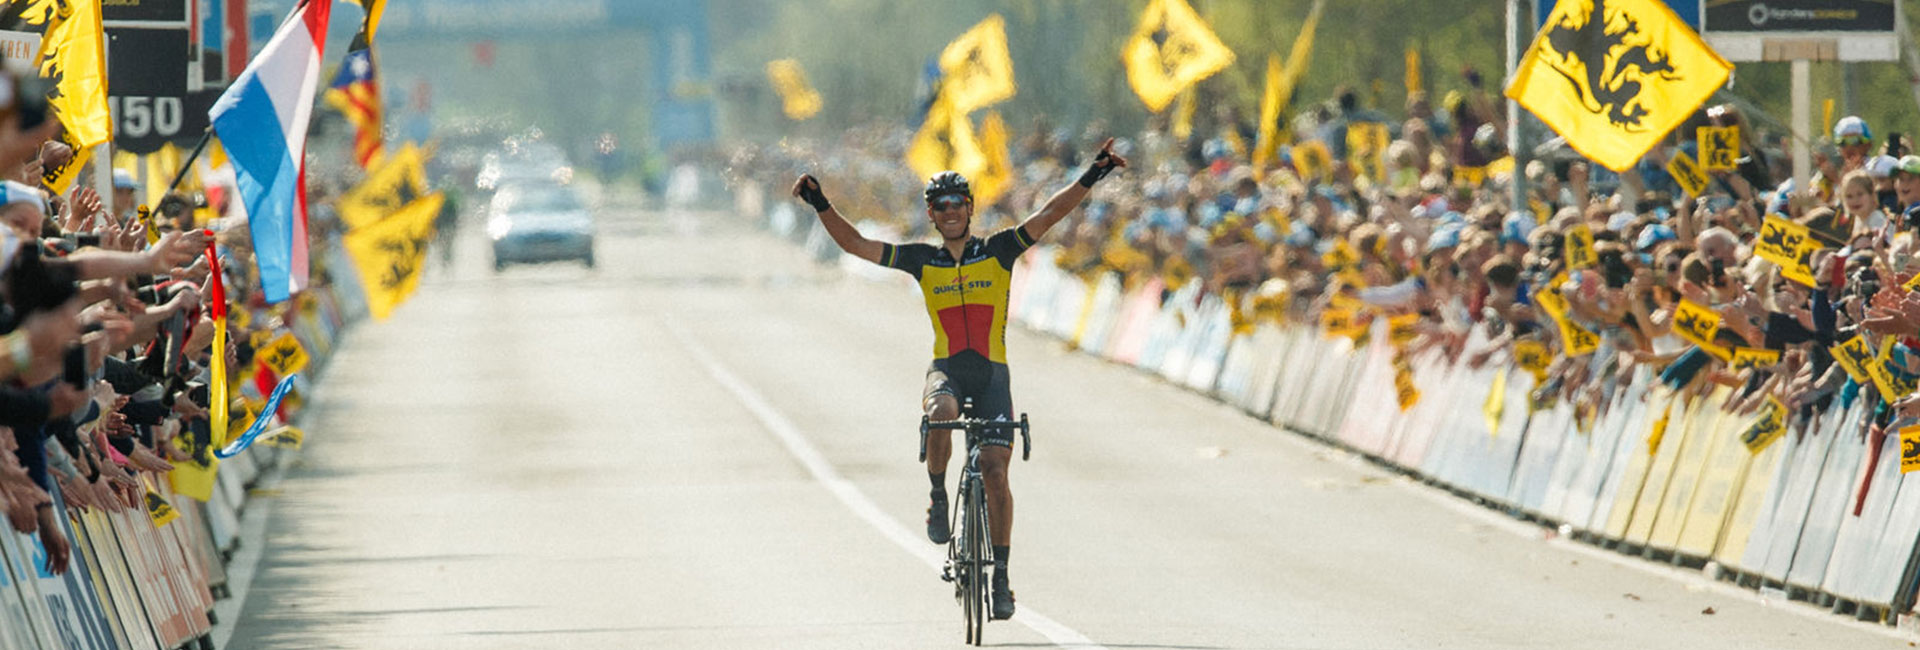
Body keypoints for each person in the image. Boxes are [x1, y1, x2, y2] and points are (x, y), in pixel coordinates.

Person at [789, 139, 1127, 621]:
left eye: (957, 204)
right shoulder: (922, 260)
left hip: (992, 376)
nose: (949, 212)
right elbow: (856, 244)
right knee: (941, 414)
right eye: (940, 206)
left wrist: (1094, 174)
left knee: (995, 471)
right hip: (947, 370)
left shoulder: (1000, 250)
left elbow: (1051, 213)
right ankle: (938, 495)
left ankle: (1003, 578)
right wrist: (821, 203)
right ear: (931, 213)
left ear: (969, 208)